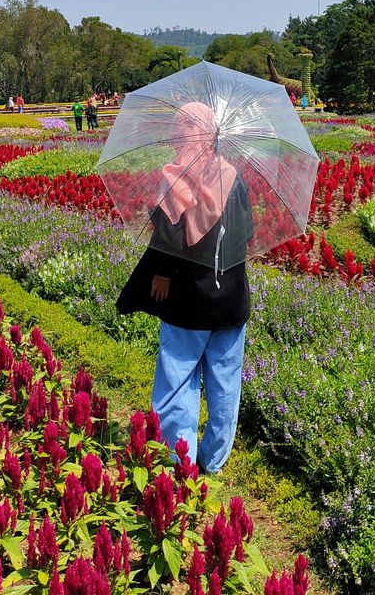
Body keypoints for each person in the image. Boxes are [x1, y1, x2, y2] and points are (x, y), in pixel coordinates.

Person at [116, 102, 253, 474]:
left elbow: (167, 241)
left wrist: (162, 275)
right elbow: (247, 233)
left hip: (187, 301)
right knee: (225, 381)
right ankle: (214, 459)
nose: (177, 135)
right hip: (230, 298)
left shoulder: (176, 179)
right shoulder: (232, 176)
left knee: (178, 378)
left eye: (182, 128)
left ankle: (180, 459)